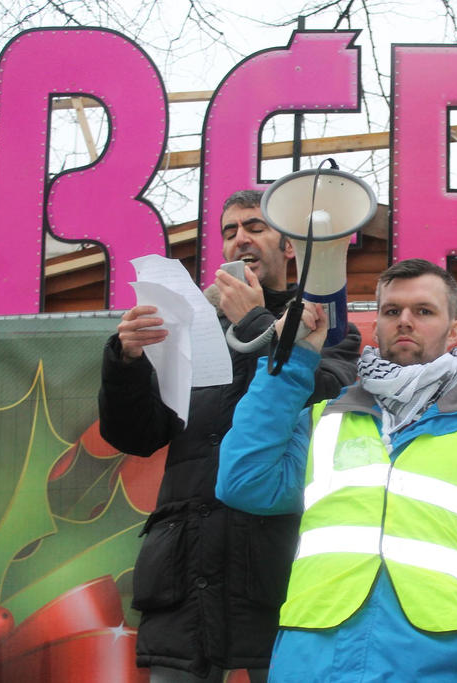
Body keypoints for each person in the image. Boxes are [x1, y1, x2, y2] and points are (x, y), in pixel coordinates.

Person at [216, 258, 457, 681]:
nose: (405, 321)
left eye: (424, 311)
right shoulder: (324, 420)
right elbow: (242, 482)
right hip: (310, 667)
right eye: (392, 311)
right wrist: (292, 362)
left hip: (433, 669)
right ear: (376, 326)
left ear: (454, 330)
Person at [98, 189, 360, 682]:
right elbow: (138, 435)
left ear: (289, 248)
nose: (241, 239)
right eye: (229, 231)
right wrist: (126, 362)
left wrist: (257, 325)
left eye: (255, 227)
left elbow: (327, 394)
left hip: (275, 571)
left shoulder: (328, 325)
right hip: (184, 575)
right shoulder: (191, 328)